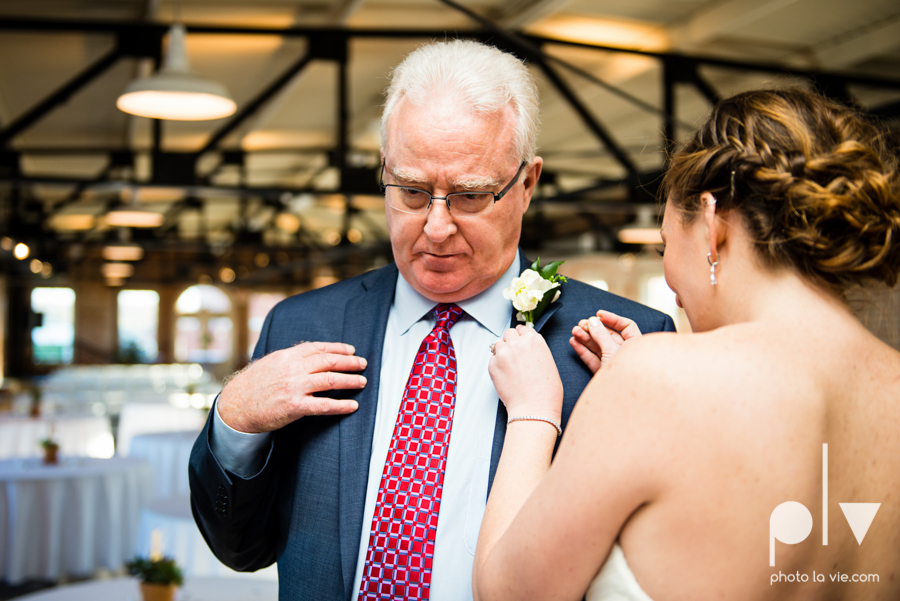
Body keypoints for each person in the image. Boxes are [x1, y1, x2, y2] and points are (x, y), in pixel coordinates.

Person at [189, 39, 676, 601]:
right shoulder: (302, 323)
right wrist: (234, 423)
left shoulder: (621, 349)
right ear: (384, 172)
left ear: (527, 184)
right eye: (413, 191)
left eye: (469, 196)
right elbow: (240, 547)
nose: (437, 227)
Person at [474, 88, 900, 601]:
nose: (668, 273)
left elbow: (508, 592)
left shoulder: (653, 377)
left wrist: (533, 411)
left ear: (713, 221)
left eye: (664, 242)